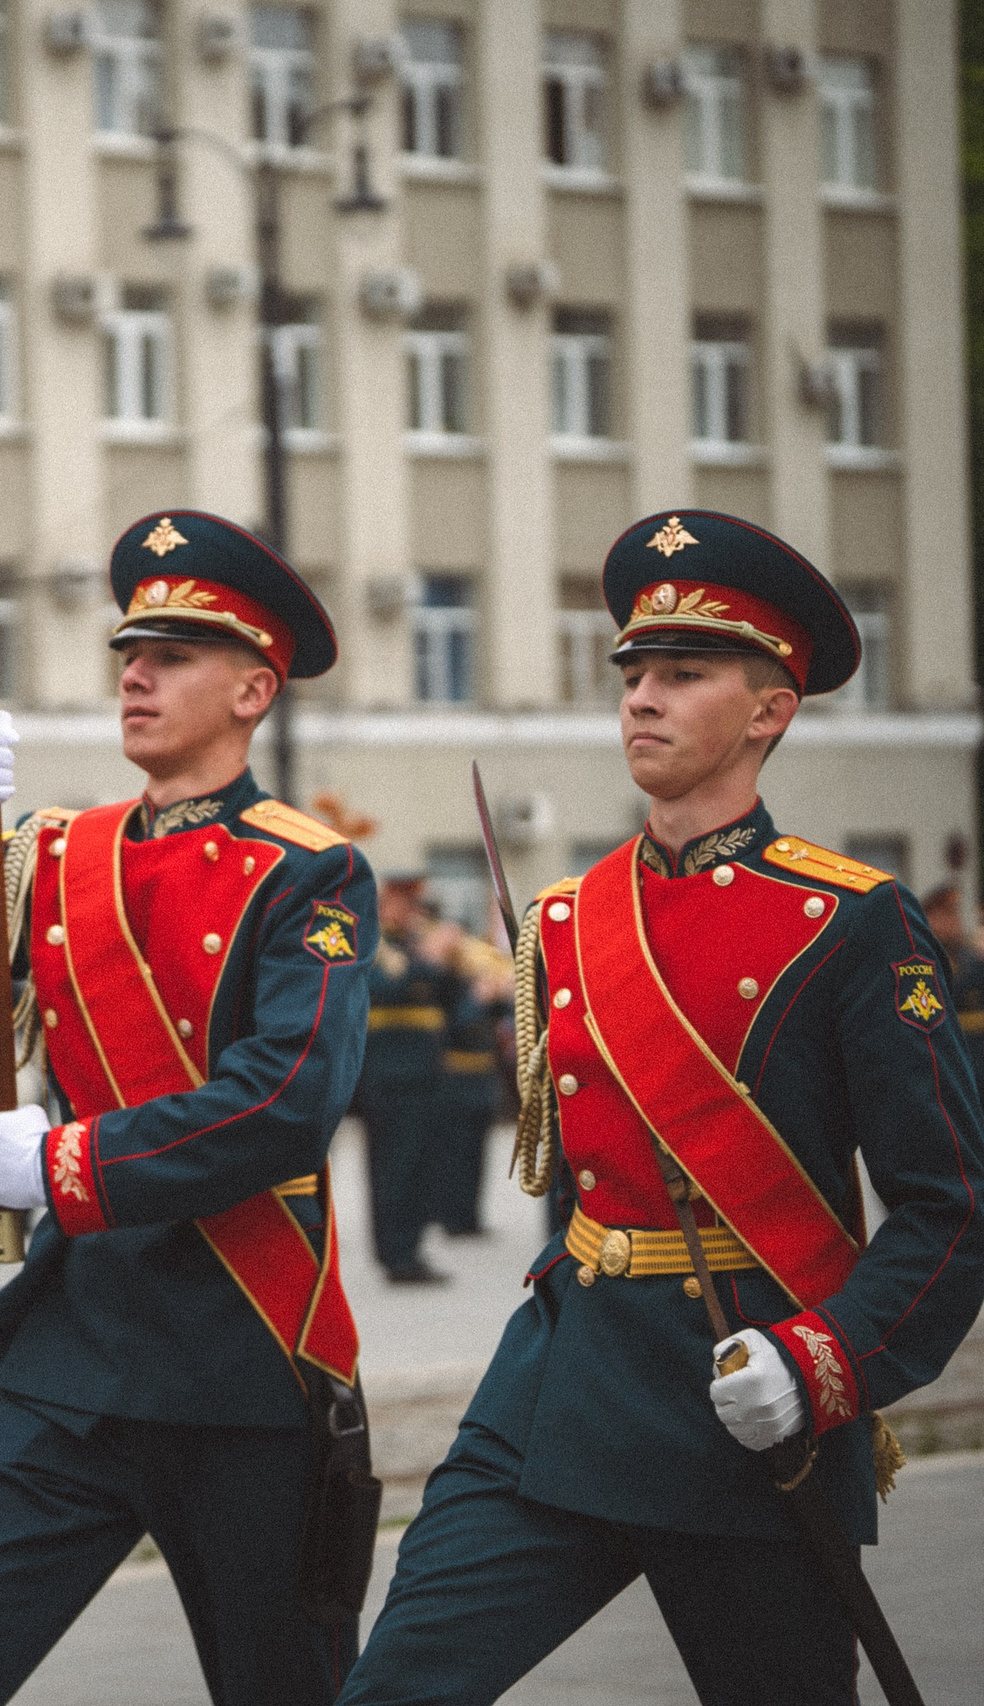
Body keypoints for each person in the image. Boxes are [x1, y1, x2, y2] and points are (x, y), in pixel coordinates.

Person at [340, 511, 984, 1704]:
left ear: (767, 711)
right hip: (560, 1384)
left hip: (745, 1391)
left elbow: (950, 1206)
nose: (639, 696)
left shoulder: (851, 921)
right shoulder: (568, 922)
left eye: (682, 674)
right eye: (631, 672)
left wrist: (821, 1360)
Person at [0, 510, 378, 1706]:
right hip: (77, 1358)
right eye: (129, 650)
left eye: (171, 655)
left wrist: (64, 1162)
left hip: (241, 1354)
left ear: (253, 689)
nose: (134, 672)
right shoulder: (58, 855)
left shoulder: (307, 871)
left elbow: (286, 1099)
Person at [356, 877, 462, 1285]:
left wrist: (446, 964)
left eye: (414, 903)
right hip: (387, 1074)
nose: (411, 911)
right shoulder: (367, 941)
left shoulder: (418, 943)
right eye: (403, 902)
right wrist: (427, 963)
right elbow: (376, 988)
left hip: (425, 1071)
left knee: (420, 1165)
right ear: (384, 904)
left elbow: (450, 1000)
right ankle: (395, 1254)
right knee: (392, 1169)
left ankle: (413, 1249)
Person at [429, 924, 513, 1241]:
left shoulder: (478, 981)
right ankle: (452, 1217)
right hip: (455, 1074)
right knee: (454, 1153)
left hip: (483, 1075)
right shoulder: (449, 983)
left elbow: (504, 1017)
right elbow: (454, 1026)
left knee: (477, 1152)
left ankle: (470, 1216)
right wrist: (479, 999)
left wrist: (502, 993)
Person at [922, 881, 984, 1076]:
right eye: (947, 915)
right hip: (949, 1067)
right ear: (930, 919)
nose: (955, 922)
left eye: (955, 914)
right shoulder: (924, 963)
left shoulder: (970, 959)